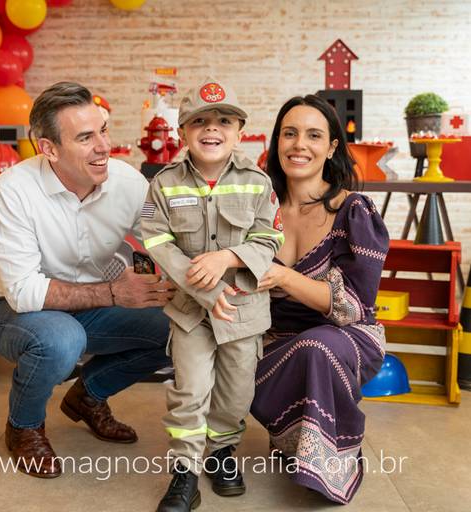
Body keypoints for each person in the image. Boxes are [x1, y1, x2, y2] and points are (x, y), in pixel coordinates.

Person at [0, 81, 174, 479]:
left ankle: (89, 396)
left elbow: (161, 243)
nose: (103, 146)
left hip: (96, 306)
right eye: (85, 138)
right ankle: (24, 426)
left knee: (180, 328)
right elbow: (24, 292)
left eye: (103, 130)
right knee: (60, 340)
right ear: (49, 148)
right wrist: (114, 292)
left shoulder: (128, 182)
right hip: (16, 313)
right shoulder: (13, 190)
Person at [141, 78, 284, 512]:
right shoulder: (164, 183)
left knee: (235, 392)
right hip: (189, 311)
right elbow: (156, 239)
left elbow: (270, 238)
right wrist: (199, 287)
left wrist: (227, 258)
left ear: (239, 132)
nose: (212, 128)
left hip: (243, 310)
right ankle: (185, 471)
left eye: (224, 120)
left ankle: (221, 453)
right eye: (200, 121)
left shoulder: (258, 182)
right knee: (190, 390)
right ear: (182, 131)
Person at [250, 95, 389, 504]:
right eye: (289, 133)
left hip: (345, 337)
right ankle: (288, 436)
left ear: (331, 148)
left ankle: (326, 466)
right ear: (277, 142)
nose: (299, 144)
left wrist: (283, 276)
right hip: (271, 337)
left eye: (314, 135)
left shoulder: (354, 210)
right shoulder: (258, 208)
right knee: (222, 352)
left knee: (316, 346)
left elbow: (354, 307)